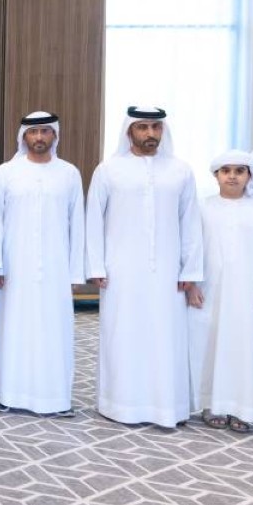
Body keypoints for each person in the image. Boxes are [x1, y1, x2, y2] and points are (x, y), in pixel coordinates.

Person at [85, 106, 202, 429]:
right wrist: (95, 265)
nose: (150, 134)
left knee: (166, 337)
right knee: (122, 334)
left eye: (156, 127)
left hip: (167, 271)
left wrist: (190, 271)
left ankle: (166, 406)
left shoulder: (180, 171)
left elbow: (190, 222)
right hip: (120, 271)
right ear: (129, 131)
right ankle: (119, 405)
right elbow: (93, 219)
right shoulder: (109, 170)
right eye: (142, 127)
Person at [0, 112, 85, 417]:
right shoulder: (6, 172)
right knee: (14, 328)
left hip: (56, 267)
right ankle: (8, 395)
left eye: (45, 131)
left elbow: (77, 224)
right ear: (24, 136)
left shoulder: (69, 173)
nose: (39, 137)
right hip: (14, 266)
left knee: (54, 330)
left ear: (54, 135)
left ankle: (55, 399)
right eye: (33, 132)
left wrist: (75, 272)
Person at [185, 150, 253, 433]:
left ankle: (242, 408)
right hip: (209, 290)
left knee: (244, 346)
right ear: (216, 175)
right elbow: (192, 246)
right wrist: (192, 283)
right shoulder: (203, 207)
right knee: (208, 344)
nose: (232, 176)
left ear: (249, 176)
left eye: (239, 171)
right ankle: (212, 404)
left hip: (247, 290)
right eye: (226, 170)